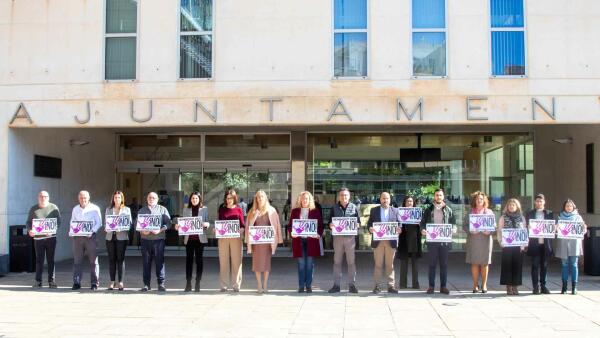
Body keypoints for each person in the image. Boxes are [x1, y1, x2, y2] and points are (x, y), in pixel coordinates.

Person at [420, 188, 456, 295]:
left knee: (444, 265)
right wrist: (422, 230)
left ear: (443, 197)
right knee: (432, 265)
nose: (438, 197)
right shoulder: (428, 209)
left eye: (440, 195)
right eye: (436, 195)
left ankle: (443, 287)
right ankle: (431, 286)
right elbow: (422, 223)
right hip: (432, 242)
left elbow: (453, 223)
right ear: (434, 197)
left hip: (444, 242)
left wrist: (454, 228)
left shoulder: (448, 210)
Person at [245, 190, 283, 293]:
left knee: (266, 264)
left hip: (267, 243)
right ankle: (259, 285)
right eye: (258, 197)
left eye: (262, 196)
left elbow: (277, 225)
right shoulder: (252, 211)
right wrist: (255, 215)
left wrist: (279, 238)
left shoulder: (272, 210)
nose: (260, 198)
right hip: (256, 242)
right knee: (257, 264)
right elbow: (248, 227)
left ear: (265, 198)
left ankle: (265, 285)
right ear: (256, 199)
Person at [288, 191, 323, 293]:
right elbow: (290, 226)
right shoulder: (295, 211)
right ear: (300, 200)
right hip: (299, 241)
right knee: (301, 264)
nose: (304, 200)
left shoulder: (315, 211)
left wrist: (318, 234)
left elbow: (320, 226)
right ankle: (301, 285)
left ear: (310, 200)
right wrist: (291, 233)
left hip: (311, 241)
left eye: (306, 198)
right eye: (303, 198)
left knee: (310, 264)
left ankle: (308, 285)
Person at [367, 192, 402, 294]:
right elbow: (369, 223)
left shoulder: (395, 210)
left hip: (391, 241)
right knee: (378, 264)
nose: (385, 200)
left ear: (390, 200)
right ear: (380, 199)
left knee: (389, 265)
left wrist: (399, 229)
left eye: (387, 198)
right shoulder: (374, 210)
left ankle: (391, 286)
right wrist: (370, 228)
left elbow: (399, 223)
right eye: (383, 198)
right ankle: (377, 286)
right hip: (378, 241)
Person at [328, 187, 361, 294]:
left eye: (346, 195)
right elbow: (329, 223)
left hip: (350, 239)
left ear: (349, 196)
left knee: (351, 262)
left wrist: (357, 225)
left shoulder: (354, 207)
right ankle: (336, 285)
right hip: (338, 238)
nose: (344, 197)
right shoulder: (334, 208)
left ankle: (352, 285)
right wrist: (331, 225)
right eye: (342, 195)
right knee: (337, 262)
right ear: (339, 196)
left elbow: (359, 223)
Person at [175, 191, 210, 292]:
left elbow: (208, 221)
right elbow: (183, 222)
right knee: (189, 261)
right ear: (190, 199)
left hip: (200, 239)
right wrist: (178, 226)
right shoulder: (186, 210)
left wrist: (206, 224)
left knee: (199, 261)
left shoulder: (204, 209)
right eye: (193, 198)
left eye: (196, 198)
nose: (194, 200)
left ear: (199, 199)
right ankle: (188, 283)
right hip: (189, 239)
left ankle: (198, 283)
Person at [26, 190, 61, 288]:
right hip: (38, 239)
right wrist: (30, 230)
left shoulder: (53, 208)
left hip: (51, 238)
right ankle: (38, 281)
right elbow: (28, 222)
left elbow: (58, 222)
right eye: (41, 196)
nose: (43, 198)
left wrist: (54, 230)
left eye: (45, 196)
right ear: (38, 197)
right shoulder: (34, 209)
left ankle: (51, 281)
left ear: (48, 197)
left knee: (51, 260)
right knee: (39, 260)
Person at [138, 192, 171, 292]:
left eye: (153, 198)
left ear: (157, 199)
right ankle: (146, 284)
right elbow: (137, 224)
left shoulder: (162, 209)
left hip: (158, 240)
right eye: (149, 197)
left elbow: (169, 223)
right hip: (145, 240)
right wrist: (142, 230)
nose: (151, 199)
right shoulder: (142, 210)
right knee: (146, 263)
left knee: (159, 262)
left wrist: (160, 230)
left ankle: (161, 284)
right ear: (147, 199)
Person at [70, 190, 102, 290]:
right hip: (78, 238)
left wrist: (92, 231)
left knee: (93, 261)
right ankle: (77, 282)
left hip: (90, 237)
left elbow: (99, 223)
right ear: (78, 198)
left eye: (85, 198)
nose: (83, 199)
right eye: (81, 198)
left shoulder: (95, 208)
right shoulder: (75, 209)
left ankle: (94, 283)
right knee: (77, 261)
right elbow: (72, 222)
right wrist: (71, 231)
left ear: (88, 198)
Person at [556, 199, 588, 295]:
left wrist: (584, 227)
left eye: (570, 206)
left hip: (574, 243)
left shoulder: (578, 217)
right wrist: (556, 227)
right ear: (564, 207)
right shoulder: (560, 217)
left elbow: (583, 231)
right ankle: (564, 287)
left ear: (573, 207)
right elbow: (557, 230)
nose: (569, 207)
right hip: (563, 244)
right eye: (567, 206)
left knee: (574, 265)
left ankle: (574, 287)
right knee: (564, 265)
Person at [464, 191, 494, 293]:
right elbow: (464, 225)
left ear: (484, 200)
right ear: (474, 201)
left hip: (486, 240)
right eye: (477, 199)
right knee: (475, 263)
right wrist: (470, 230)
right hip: (474, 240)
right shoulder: (470, 212)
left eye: (481, 199)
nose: (479, 201)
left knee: (485, 263)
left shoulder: (489, 212)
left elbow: (494, 226)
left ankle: (484, 284)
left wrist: (489, 231)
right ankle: (475, 284)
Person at [497, 198, 527, 295]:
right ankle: (508, 287)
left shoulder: (522, 218)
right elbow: (499, 231)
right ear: (507, 207)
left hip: (518, 247)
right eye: (509, 205)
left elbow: (524, 231)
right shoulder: (503, 217)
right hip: (507, 246)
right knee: (507, 266)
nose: (511, 206)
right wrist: (501, 243)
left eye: (513, 205)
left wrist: (523, 245)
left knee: (517, 266)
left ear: (517, 207)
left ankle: (515, 286)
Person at [525, 193, 554, 295]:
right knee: (535, 265)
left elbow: (552, 227)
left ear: (544, 202)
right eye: (537, 201)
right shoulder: (530, 213)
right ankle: (535, 287)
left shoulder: (549, 213)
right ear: (534, 202)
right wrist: (527, 227)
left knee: (544, 266)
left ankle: (543, 286)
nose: (539, 203)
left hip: (545, 244)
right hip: (534, 243)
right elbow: (525, 226)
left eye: (541, 201)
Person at [218, 189, 245, 292]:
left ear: (234, 198)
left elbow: (242, 225)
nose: (229, 200)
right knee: (223, 262)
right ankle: (223, 285)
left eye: (231, 198)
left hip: (236, 238)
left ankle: (236, 285)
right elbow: (219, 223)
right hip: (223, 239)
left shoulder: (238, 210)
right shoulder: (222, 209)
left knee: (236, 261)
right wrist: (216, 229)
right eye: (227, 198)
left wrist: (240, 230)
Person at [105, 190, 132, 291]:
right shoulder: (108, 209)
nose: (117, 199)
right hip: (110, 237)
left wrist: (122, 228)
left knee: (120, 260)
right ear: (113, 198)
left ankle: (120, 282)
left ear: (122, 199)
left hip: (122, 237)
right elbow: (106, 223)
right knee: (111, 260)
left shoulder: (126, 210)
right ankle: (112, 281)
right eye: (115, 197)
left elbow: (129, 224)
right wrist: (106, 227)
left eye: (119, 197)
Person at [397, 196, 421, 290]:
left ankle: (416, 284)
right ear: (404, 203)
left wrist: (420, 224)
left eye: (411, 201)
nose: (409, 203)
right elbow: (397, 224)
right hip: (404, 240)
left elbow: (422, 225)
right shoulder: (400, 213)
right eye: (407, 201)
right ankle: (403, 284)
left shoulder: (418, 212)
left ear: (413, 203)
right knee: (404, 264)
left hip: (415, 241)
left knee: (415, 264)